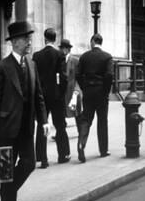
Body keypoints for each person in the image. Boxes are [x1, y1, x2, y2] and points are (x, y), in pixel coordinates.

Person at [0, 21, 48, 201]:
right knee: (6, 171)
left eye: (30, 38)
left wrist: (44, 121)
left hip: (26, 128)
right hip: (6, 129)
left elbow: (39, 95)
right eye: (26, 38)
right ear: (14, 42)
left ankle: (7, 191)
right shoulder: (1, 67)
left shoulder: (32, 64)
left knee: (29, 163)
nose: (30, 42)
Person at [32, 28, 69, 167]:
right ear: (55, 39)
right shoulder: (59, 55)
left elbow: (34, 77)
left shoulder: (37, 55)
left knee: (42, 125)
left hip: (41, 95)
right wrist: (61, 93)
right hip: (56, 95)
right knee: (60, 125)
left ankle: (42, 158)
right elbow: (63, 77)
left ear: (44, 38)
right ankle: (62, 155)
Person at [75, 33, 114, 163]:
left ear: (92, 42)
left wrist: (84, 87)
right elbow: (109, 75)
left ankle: (81, 144)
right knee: (102, 120)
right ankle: (103, 150)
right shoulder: (107, 57)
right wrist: (106, 91)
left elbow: (78, 74)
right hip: (101, 92)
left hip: (88, 91)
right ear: (101, 42)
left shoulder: (84, 56)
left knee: (86, 119)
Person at [59, 38, 83, 124]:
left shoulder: (75, 60)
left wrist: (77, 91)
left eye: (65, 48)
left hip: (73, 91)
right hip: (63, 91)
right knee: (61, 114)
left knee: (77, 113)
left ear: (69, 49)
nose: (63, 50)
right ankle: (61, 135)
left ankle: (81, 133)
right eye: (61, 48)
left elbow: (79, 77)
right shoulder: (59, 60)